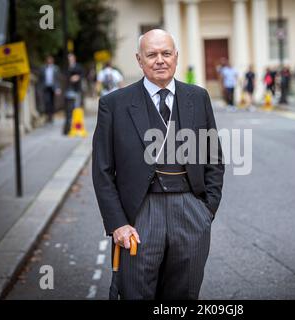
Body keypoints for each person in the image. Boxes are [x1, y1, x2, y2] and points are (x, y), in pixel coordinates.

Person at [92, 29, 224, 300]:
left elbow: (213, 156)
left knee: (183, 296)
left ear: (176, 57)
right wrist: (117, 223)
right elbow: (102, 171)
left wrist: (206, 210)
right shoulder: (114, 104)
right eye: (151, 54)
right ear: (139, 60)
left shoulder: (198, 97)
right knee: (134, 292)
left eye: (166, 53)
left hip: (190, 210)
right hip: (139, 215)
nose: (160, 60)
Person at [63, 53, 84, 135]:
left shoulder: (78, 66)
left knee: (76, 109)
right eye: (68, 59)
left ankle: (77, 127)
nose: (69, 60)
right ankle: (68, 128)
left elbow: (82, 74)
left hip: (76, 90)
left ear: (74, 59)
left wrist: (77, 77)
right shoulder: (67, 68)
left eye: (71, 59)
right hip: (68, 90)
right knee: (68, 110)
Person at [39, 55, 61, 123]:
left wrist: (58, 88)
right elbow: (41, 79)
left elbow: (58, 79)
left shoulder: (56, 68)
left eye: (50, 60)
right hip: (46, 87)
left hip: (53, 87)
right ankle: (47, 115)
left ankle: (51, 116)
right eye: (48, 60)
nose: (49, 61)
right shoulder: (43, 68)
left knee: (52, 102)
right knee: (47, 101)